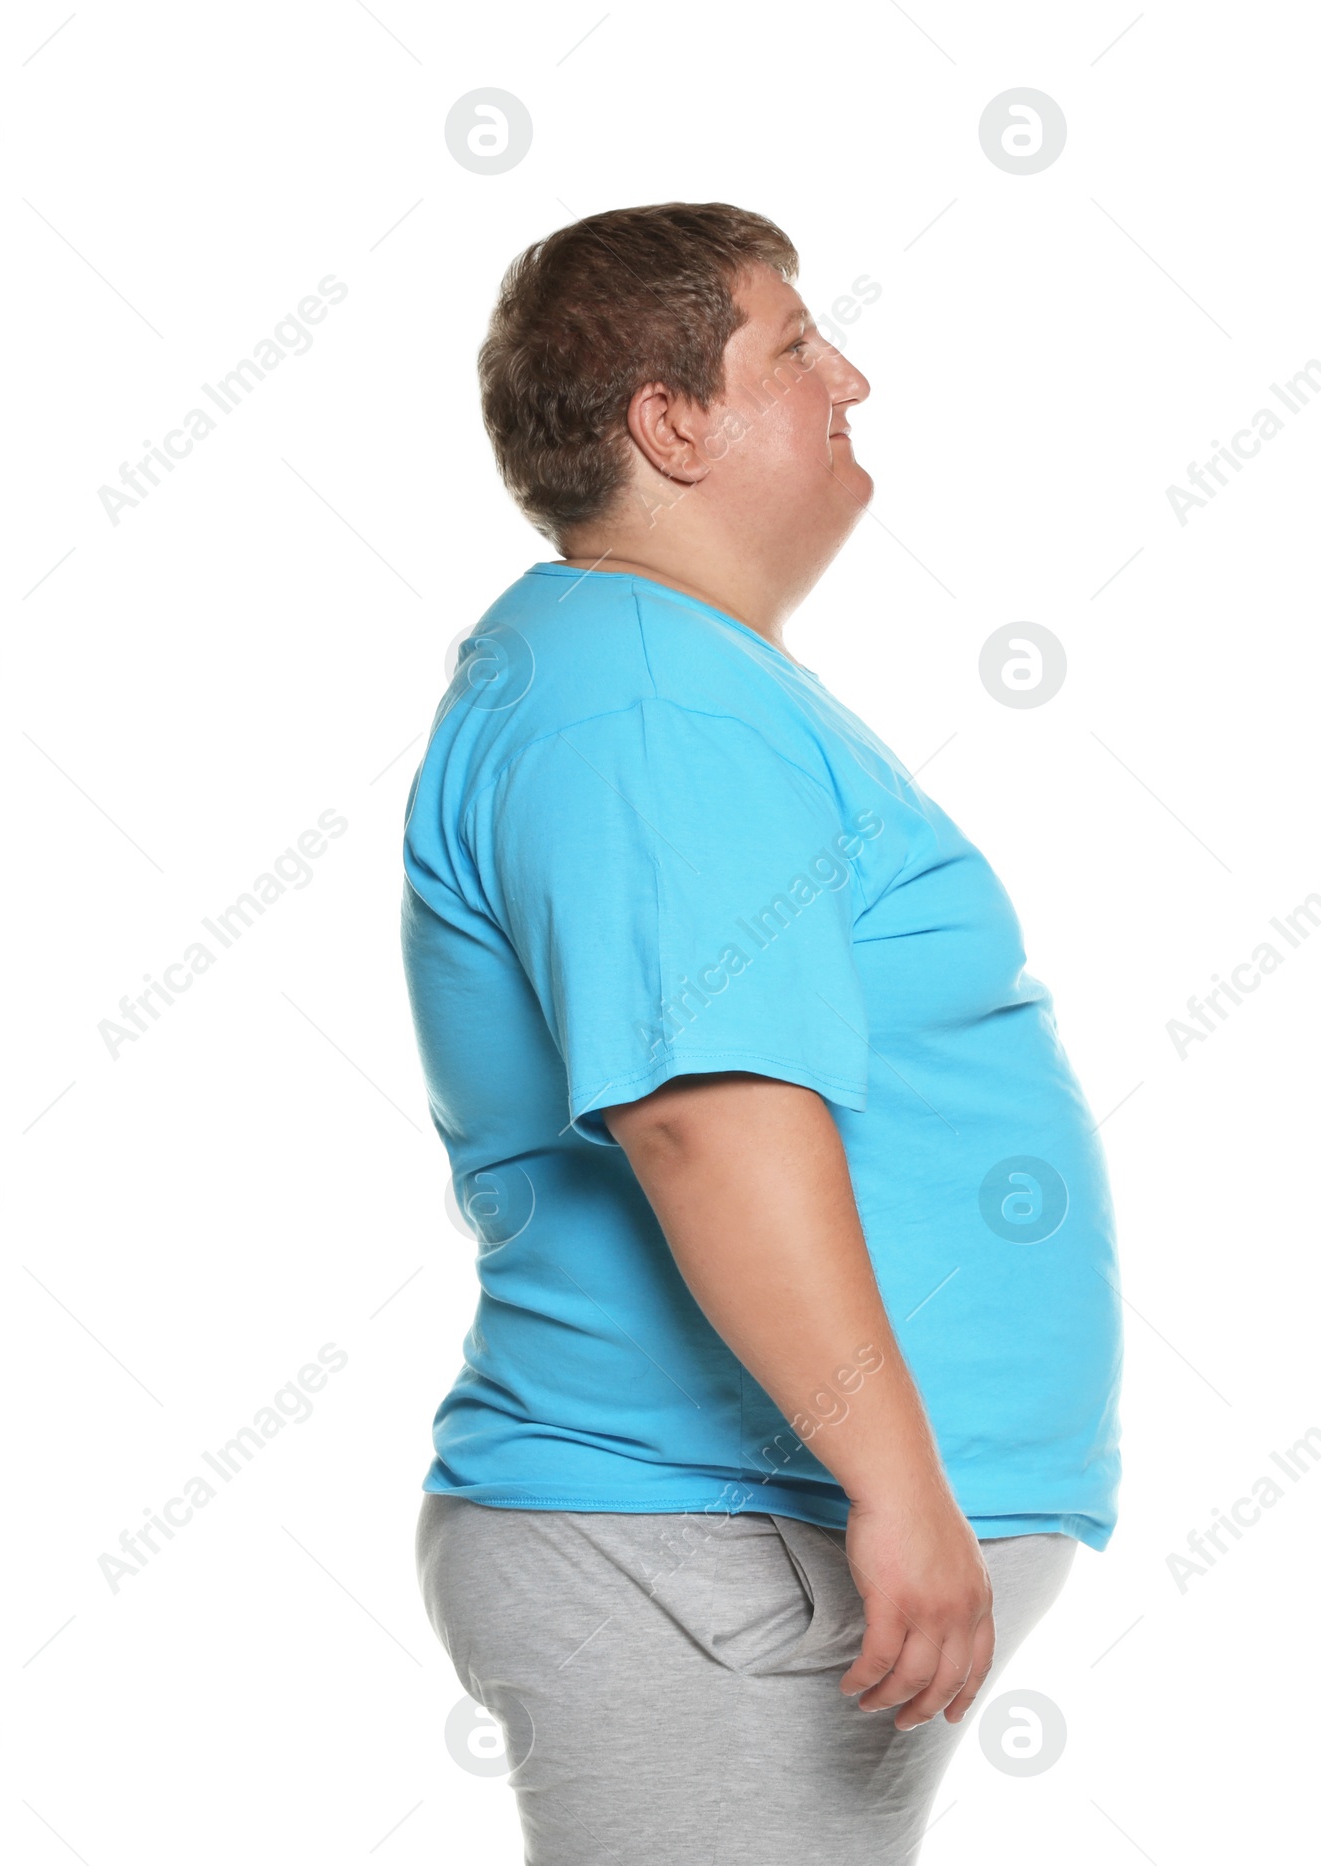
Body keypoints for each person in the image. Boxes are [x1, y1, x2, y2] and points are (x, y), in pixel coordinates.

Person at [401, 202, 1122, 1864]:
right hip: (705, 1540)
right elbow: (703, 1112)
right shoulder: (640, 691)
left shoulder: (664, 676)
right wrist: (896, 1478)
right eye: (793, 347)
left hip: (729, 1558)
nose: (846, 375)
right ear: (672, 420)